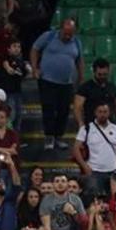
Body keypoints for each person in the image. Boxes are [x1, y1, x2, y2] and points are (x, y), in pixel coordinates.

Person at [30, 19, 83, 151]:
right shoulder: (49, 36)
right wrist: (34, 68)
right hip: (47, 80)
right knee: (48, 108)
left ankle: (58, 137)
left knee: (63, 111)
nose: (68, 36)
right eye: (66, 33)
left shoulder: (76, 42)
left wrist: (81, 77)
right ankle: (49, 136)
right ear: (61, 29)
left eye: (70, 34)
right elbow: (35, 49)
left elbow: (79, 60)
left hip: (66, 83)